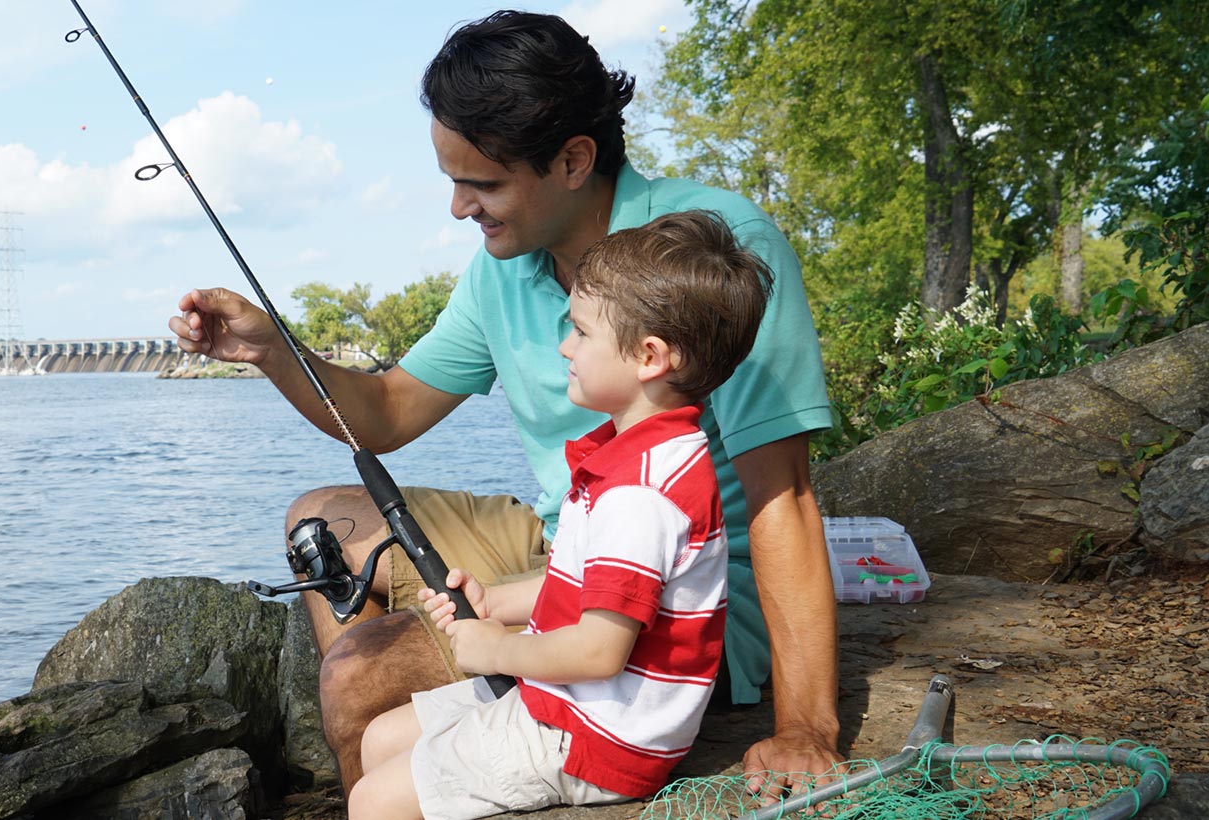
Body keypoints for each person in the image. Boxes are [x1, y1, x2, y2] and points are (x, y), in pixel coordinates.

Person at [167, 9, 843, 798]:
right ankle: (431, 758)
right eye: (453, 180)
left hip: (664, 606)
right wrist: (271, 347)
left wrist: (804, 727)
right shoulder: (502, 270)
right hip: (569, 549)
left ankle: (398, 771)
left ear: (573, 159)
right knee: (322, 519)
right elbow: (384, 412)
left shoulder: (713, 254)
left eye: (482, 184)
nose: (459, 208)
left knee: (357, 679)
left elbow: (783, 496)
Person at [346, 210, 770, 820]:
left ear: (649, 357)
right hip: (575, 703)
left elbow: (599, 652)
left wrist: (495, 650)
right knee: (379, 738)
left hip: (595, 735)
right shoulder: (639, 456)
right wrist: (495, 602)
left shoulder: (641, 494)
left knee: (372, 802)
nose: (565, 346)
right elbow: (594, 590)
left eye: (581, 331)